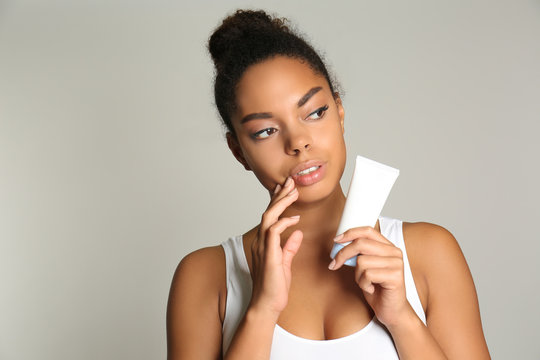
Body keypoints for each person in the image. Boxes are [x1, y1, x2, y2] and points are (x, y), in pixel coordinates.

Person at [166, 9, 490, 359]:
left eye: (315, 112)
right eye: (265, 131)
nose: (298, 142)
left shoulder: (429, 254)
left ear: (339, 112)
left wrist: (402, 320)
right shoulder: (205, 277)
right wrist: (262, 311)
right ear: (238, 152)